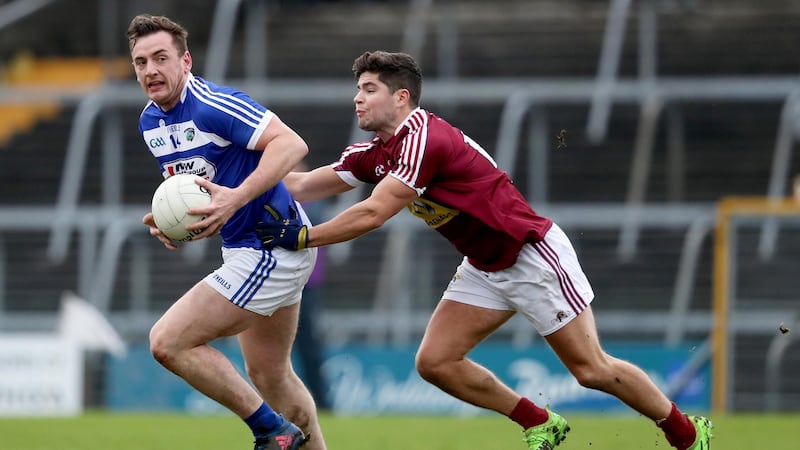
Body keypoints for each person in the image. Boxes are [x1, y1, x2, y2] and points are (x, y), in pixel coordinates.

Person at [256, 50, 714, 450]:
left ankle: (688, 434)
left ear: (401, 97)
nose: (357, 98)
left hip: (530, 256)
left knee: (591, 369)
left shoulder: (424, 139)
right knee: (436, 362)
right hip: (484, 266)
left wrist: (304, 237)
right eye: (358, 88)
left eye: (369, 89)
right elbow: (300, 184)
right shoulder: (375, 153)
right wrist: (242, 168)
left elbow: (373, 213)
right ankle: (540, 422)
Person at [127, 14, 326, 450]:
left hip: (271, 244)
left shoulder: (212, 104)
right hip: (243, 248)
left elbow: (291, 144)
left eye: (161, 58)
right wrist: (175, 223)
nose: (150, 70)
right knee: (270, 376)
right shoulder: (149, 122)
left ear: (185, 61)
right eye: (141, 62)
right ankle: (286, 432)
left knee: (168, 342)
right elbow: (196, 186)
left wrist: (235, 198)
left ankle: (270, 431)